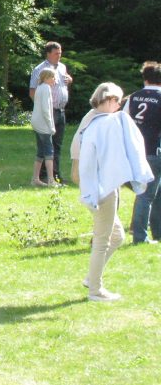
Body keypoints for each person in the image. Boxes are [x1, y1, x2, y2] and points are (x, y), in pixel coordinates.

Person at [73, 83, 154, 301]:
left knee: (117, 235)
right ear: (108, 100)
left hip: (97, 186)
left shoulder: (91, 122)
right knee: (102, 240)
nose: (120, 106)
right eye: (118, 102)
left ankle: (92, 277)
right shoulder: (108, 124)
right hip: (103, 189)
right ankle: (95, 290)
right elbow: (121, 152)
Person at [125, 62, 161, 244]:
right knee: (146, 195)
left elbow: (123, 122)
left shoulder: (133, 97)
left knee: (155, 192)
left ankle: (158, 232)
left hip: (137, 151)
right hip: (155, 150)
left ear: (144, 78)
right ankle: (140, 237)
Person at [29, 42, 73, 184]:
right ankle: (44, 176)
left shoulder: (62, 67)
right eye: (56, 53)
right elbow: (33, 92)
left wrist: (69, 80)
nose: (59, 56)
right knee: (47, 145)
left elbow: (63, 82)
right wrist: (41, 109)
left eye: (60, 53)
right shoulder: (40, 69)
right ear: (48, 53)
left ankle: (55, 174)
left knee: (57, 145)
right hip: (49, 111)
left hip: (61, 110)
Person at [30, 69, 57, 187]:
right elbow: (46, 109)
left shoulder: (40, 87)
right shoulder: (46, 88)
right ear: (46, 78)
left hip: (36, 123)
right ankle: (51, 180)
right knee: (49, 151)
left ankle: (35, 178)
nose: (54, 80)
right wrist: (51, 126)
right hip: (43, 124)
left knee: (40, 151)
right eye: (53, 77)